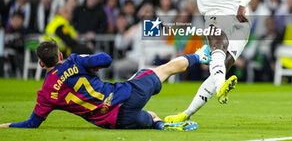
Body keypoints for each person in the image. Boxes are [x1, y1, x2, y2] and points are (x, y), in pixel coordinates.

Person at [116, 0, 264, 122]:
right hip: (216, 19)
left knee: (217, 64)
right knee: (220, 61)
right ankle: (187, 113)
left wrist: (244, 3)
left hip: (240, 18)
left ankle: (218, 87)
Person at [0, 40, 211, 130]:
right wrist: (87, 61)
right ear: (60, 55)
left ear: (41, 63)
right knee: (162, 70)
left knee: (151, 115)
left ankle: (160, 125)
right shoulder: (74, 61)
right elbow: (106, 59)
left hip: (112, 120)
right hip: (125, 96)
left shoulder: (45, 93)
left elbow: (31, 124)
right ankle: (200, 55)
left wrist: (5, 126)